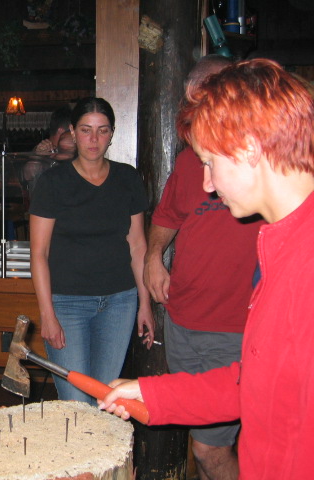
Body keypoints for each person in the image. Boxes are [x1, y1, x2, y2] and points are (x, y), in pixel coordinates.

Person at [100, 58, 314, 480]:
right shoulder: (283, 243)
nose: (207, 184)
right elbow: (257, 382)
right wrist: (152, 393)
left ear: (248, 148)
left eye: (211, 162)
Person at [142, 54, 263, 480]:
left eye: (204, 100)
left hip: (234, 329)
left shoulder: (264, 165)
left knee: (210, 449)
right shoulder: (190, 160)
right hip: (182, 320)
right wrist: (154, 256)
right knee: (206, 440)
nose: (209, 182)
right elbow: (167, 216)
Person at [29, 97, 155, 406]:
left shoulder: (127, 178)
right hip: (67, 304)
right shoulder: (52, 182)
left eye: (102, 130)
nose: (94, 139)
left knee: (105, 398)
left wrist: (144, 303)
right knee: (76, 403)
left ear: (112, 133)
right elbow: (39, 253)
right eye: (86, 130)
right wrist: (47, 314)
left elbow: (138, 244)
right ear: (72, 132)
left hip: (119, 302)